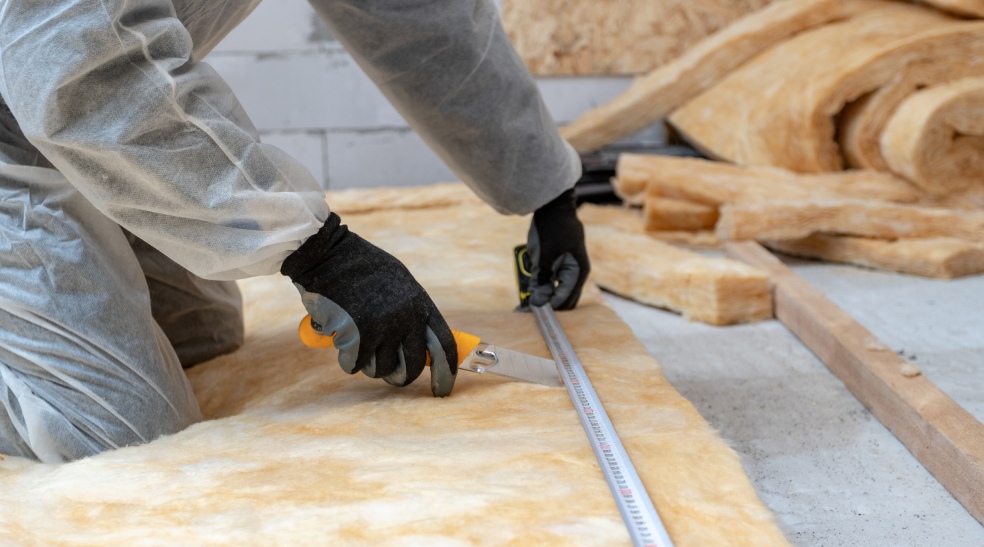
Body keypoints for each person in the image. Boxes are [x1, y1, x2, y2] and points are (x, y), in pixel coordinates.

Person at [0, 0, 590, 463]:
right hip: (31, 117)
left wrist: (547, 187)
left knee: (203, 337)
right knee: (113, 431)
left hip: (84, 129)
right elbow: (74, 58)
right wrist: (323, 254)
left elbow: (424, 18)